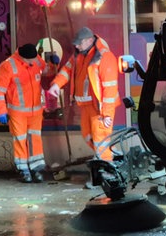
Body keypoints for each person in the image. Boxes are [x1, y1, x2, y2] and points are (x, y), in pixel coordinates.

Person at [47, 27, 120, 162]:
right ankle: (109, 158)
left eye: (79, 43)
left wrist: (107, 114)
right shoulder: (79, 55)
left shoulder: (104, 57)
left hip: (99, 107)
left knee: (100, 138)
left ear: (90, 40)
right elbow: (66, 70)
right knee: (88, 135)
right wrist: (56, 84)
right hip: (86, 105)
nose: (76, 45)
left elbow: (110, 89)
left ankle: (107, 169)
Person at [0, 43, 48, 183]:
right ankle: (23, 170)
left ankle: (36, 169)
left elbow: (46, 71)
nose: (33, 62)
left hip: (35, 111)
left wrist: (53, 65)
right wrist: (1, 111)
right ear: (22, 57)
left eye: (35, 59)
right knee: (20, 139)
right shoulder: (8, 66)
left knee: (34, 139)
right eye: (30, 61)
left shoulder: (35, 59)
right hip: (17, 112)